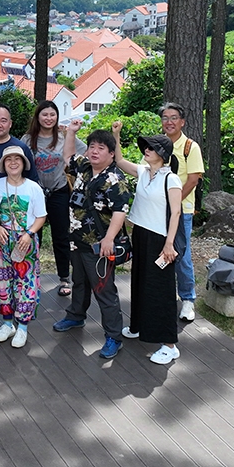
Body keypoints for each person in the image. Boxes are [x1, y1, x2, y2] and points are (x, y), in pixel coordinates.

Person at [52, 129, 132, 360]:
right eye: (92, 146)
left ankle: (114, 337)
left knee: (104, 291)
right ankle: (76, 315)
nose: (95, 151)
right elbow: (68, 156)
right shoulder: (85, 167)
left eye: (101, 148)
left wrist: (108, 239)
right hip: (77, 242)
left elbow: (120, 212)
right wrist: (71, 133)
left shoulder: (115, 180)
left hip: (100, 246)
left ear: (111, 153)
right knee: (79, 282)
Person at [113, 132, 183, 364]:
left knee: (160, 289)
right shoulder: (143, 172)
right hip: (141, 233)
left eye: (152, 148)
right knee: (140, 281)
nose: (147, 151)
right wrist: (116, 135)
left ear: (162, 154)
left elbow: (176, 213)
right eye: (146, 147)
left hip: (160, 237)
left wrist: (169, 243)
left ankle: (169, 344)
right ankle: (139, 325)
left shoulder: (170, 179)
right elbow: (120, 161)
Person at [23, 101, 84, 298]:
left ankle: (65, 277)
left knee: (61, 236)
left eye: (52, 115)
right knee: (33, 236)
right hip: (35, 193)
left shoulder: (64, 137)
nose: (48, 118)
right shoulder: (27, 139)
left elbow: (88, 150)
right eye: (44, 114)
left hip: (59, 191)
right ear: (38, 117)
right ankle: (32, 276)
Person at [0, 147, 45, 349]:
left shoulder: (33, 188)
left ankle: (22, 327)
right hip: (2, 238)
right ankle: (6, 322)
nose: (13, 163)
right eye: (8, 159)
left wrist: (29, 234)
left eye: (17, 159)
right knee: (2, 281)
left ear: (24, 163)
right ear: (3, 164)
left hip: (25, 240)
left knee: (26, 282)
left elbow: (41, 216)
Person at [151, 103, 203, 322]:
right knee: (157, 252)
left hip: (182, 210)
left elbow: (193, 179)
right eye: (165, 117)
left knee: (181, 254)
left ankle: (188, 299)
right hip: (156, 210)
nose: (169, 122)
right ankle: (160, 297)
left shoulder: (190, 147)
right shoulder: (156, 145)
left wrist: (172, 203)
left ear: (182, 121)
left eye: (174, 118)